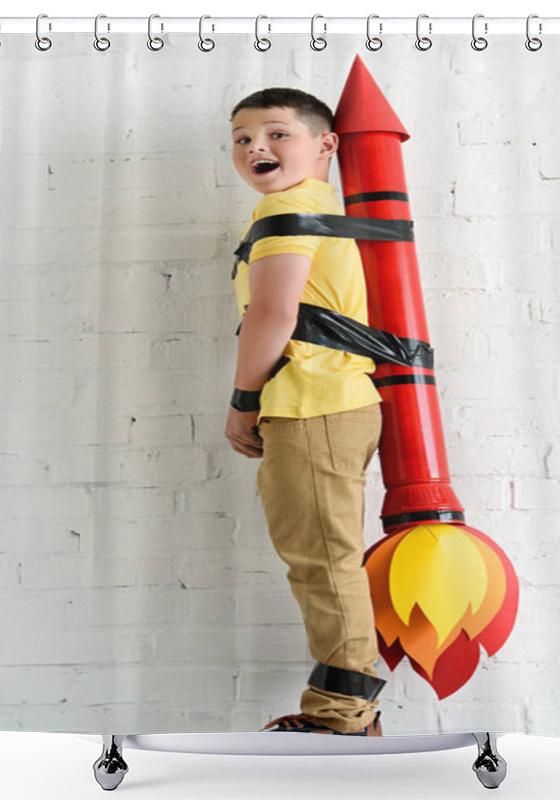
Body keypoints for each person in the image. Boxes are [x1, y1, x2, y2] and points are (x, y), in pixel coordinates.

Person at [224, 87, 386, 736]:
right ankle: (355, 714)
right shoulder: (313, 207)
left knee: (323, 562)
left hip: (312, 406)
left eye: (275, 133)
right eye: (240, 138)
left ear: (326, 144)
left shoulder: (288, 210)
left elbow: (272, 313)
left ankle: (342, 715)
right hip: (327, 404)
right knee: (324, 560)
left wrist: (242, 403)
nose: (255, 146)